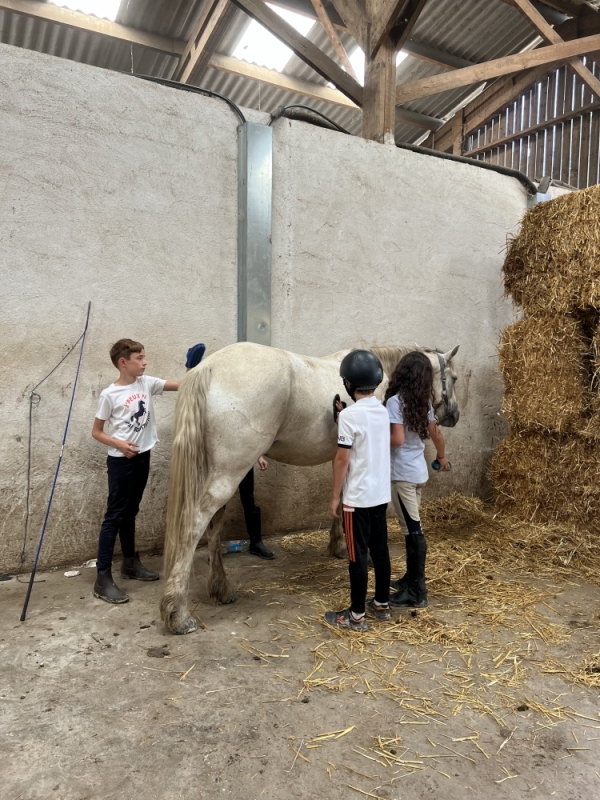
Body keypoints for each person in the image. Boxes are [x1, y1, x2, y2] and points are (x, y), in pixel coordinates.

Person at [91, 338, 180, 604]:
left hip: (143, 457)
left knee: (131, 512)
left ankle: (130, 563)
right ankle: (102, 578)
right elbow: (96, 432)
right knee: (115, 516)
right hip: (121, 462)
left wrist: (193, 368)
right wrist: (118, 443)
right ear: (123, 362)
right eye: (139, 358)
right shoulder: (110, 394)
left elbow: (181, 385)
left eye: (144, 357)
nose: (145, 362)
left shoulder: (147, 383)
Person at [185, 343, 274, 560]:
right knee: (217, 501)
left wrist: (258, 455)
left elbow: (244, 434)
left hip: (241, 456)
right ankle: (213, 546)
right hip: (216, 458)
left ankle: (256, 541)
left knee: (249, 499)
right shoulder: (205, 399)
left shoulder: (234, 400)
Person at [324, 350, 392, 632]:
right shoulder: (383, 411)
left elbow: (342, 458)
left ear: (348, 385)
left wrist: (335, 496)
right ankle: (382, 604)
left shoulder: (350, 416)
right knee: (381, 551)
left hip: (356, 501)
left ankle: (355, 617)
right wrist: (345, 417)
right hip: (379, 496)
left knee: (357, 558)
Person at [385, 351, 450, 609]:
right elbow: (436, 434)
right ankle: (410, 579)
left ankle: (416, 592)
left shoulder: (395, 402)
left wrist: (372, 437)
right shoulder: (424, 404)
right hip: (418, 474)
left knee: (412, 531)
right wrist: (442, 457)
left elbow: (397, 440)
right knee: (412, 527)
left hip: (402, 477)